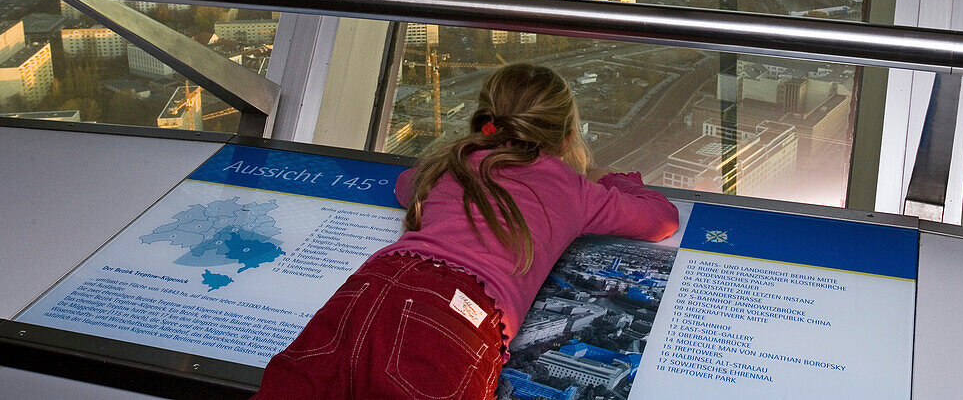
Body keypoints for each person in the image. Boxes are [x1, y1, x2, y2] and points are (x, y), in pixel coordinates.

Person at [251, 62, 679, 400]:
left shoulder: (453, 162)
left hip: (370, 286)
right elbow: (660, 220)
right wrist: (611, 179)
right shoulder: (575, 190)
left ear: (486, 121)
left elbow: (406, 186)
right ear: (567, 137)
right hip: (459, 311)